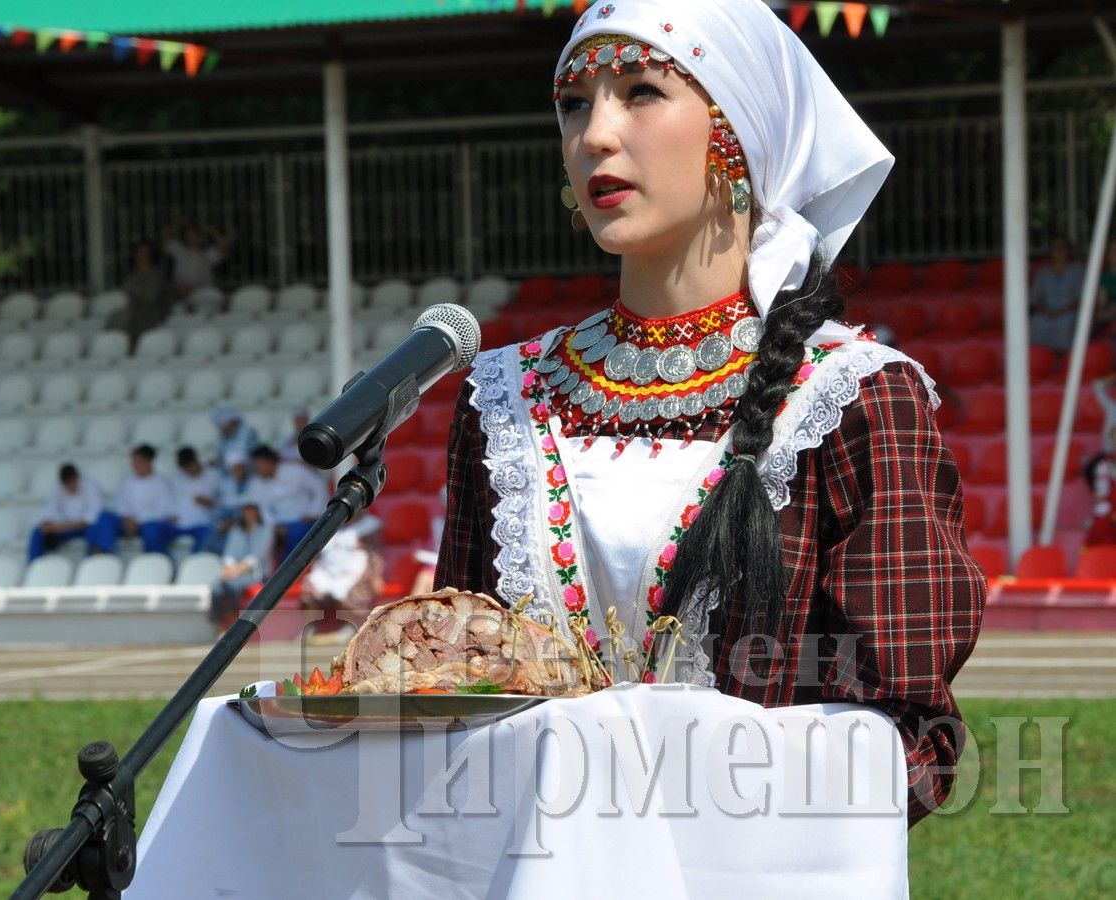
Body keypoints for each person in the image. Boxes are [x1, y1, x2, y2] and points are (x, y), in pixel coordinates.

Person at [435, 0, 983, 834]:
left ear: (737, 133)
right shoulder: (501, 397)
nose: (594, 135)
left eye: (641, 92)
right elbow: (455, 676)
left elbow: (904, 735)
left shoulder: (854, 395)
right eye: (574, 104)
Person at [300, 514, 385, 645]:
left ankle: (351, 630)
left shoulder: (370, 525)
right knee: (312, 585)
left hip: (355, 570)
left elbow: (376, 552)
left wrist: (376, 575)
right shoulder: (326, 524)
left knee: (346, 592)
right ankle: (311, 629)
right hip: (327, 570)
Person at [91, 445, 176, 555]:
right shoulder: (127, 480)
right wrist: (127, 519)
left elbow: (162, 511)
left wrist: (137, 521)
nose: (134, 466)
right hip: (127, 522)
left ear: (148, 461)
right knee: (104, 516)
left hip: (147, 523)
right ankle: (105, 553)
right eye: (133, 462)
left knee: (152, 530)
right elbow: (121, 502)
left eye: (137, 462)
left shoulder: (161, 483)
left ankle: (157, 562)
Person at [247, 444, 328, 558]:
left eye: (258, 464)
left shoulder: (295, 471)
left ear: (269, 462)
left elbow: (319, 488)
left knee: (297, 534)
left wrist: (312, 513)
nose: (257, 468)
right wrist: (274, 525)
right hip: (279, 523)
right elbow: (263, 509)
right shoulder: (256, 483)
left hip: (304, 519)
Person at [211, 498, 276, 628]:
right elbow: (229, 554)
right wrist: (230, 568)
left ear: (257, 511)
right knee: (217, 585)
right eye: (246, 510)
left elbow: (256, 558)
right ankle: (218, 622)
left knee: (233, 584)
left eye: (252, 509)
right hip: (236, 572)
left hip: (259, 574)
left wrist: (234, 571)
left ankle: (232, 619)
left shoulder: (266, 529)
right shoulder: (236, 530)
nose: (249, 513)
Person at [27, 463, 104, 561]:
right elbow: (50, 511)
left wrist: (63, 527)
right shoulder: (58, 489)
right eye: (67, 484)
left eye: (72, 482)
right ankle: (34, 564)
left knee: (96, 529)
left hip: (85, 528)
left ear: (77, 478)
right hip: (66, 528)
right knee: (38, 532)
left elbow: (93, 517)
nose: (70, 487)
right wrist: (48, 524)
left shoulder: (90, 486)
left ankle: (90, 562)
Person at [109, 241, 172, 343]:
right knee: (115, 317)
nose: (142, 256)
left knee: (135, 319)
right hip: (132, 310)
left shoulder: (158, 275)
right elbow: (124, 294)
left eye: (146, 253)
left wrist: (135, 298)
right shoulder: (131, 276)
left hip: (152, 312)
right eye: (140, 252)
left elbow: (151, 297)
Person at [1030, 235, 1085, 351]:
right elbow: (1035, 299)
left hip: (1069, 312)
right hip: (1046, 313)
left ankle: (1064, 360)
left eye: (1062, 247)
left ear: (1068, 251)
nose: (1059, 250)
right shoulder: (1043, 272)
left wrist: (1060, 311)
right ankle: (1041, 358)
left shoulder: (1077, 270)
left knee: (1064, 324)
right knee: (1036, 322)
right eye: (1055, 247)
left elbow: (1081, 298)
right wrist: (1046, 311)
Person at [163, 220, 232, 300]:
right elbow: (165, 235)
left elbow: (223, 244)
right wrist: (179, 223)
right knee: (181, 289)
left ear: (200, 237)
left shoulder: (207, 254)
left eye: (193, 234)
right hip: (183, 295)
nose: (191, 237)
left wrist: (209, 229)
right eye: (188, 235)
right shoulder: (179, 251)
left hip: (204, 295)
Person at [169, 446, 221, 552]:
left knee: (206, 537)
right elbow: (168, 500)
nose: (189, 471)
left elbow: (223, 505)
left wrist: (210, 503)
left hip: (202, 523)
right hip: (178, 523)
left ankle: (193, 565)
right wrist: (170, 514)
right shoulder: (176, 477)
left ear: (196, 459)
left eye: (190, 466)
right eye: (185, 468)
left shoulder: (214, 476)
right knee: (153, 529)